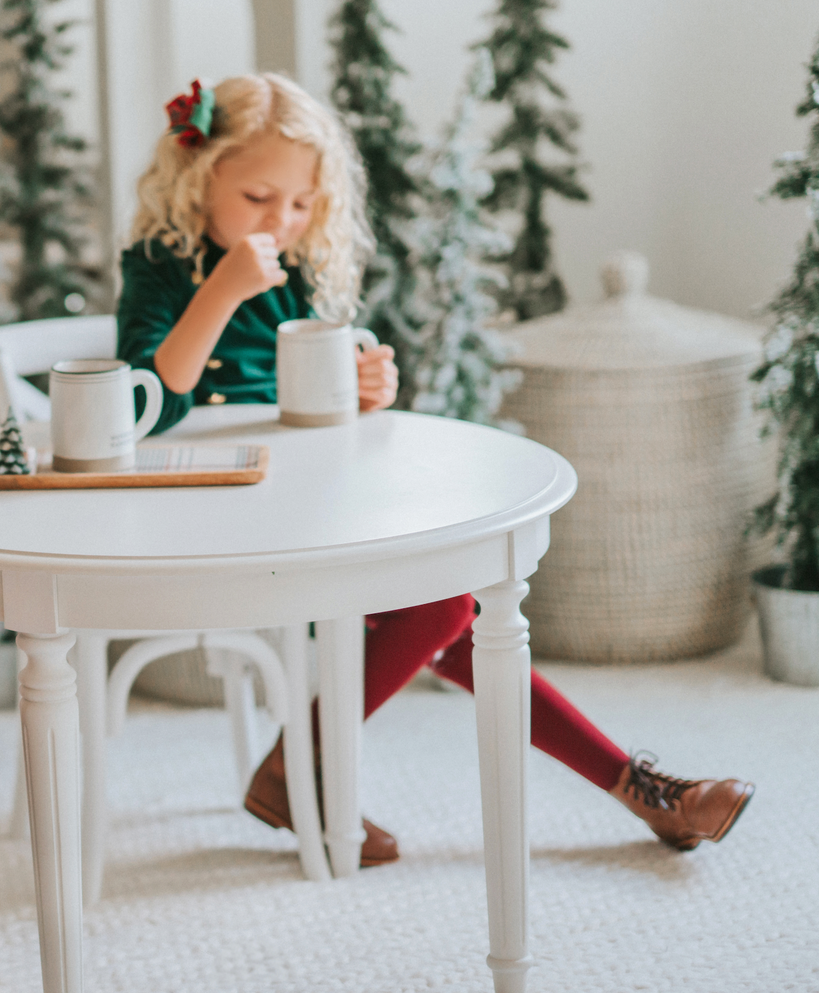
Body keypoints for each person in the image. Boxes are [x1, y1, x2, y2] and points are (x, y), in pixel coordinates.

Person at [116, 74, 753, 865]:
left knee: (452, 608)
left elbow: (309, 399)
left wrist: (362, 386)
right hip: (211, 516)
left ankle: (297, 770)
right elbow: (152, 401)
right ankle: (637, 789)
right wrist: (220, 289)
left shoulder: (296, 274)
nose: (279, 221)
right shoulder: (159, 264)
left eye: (300, 204)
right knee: (449, 612)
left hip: (310, 494)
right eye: (256, 198)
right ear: (197, 175)